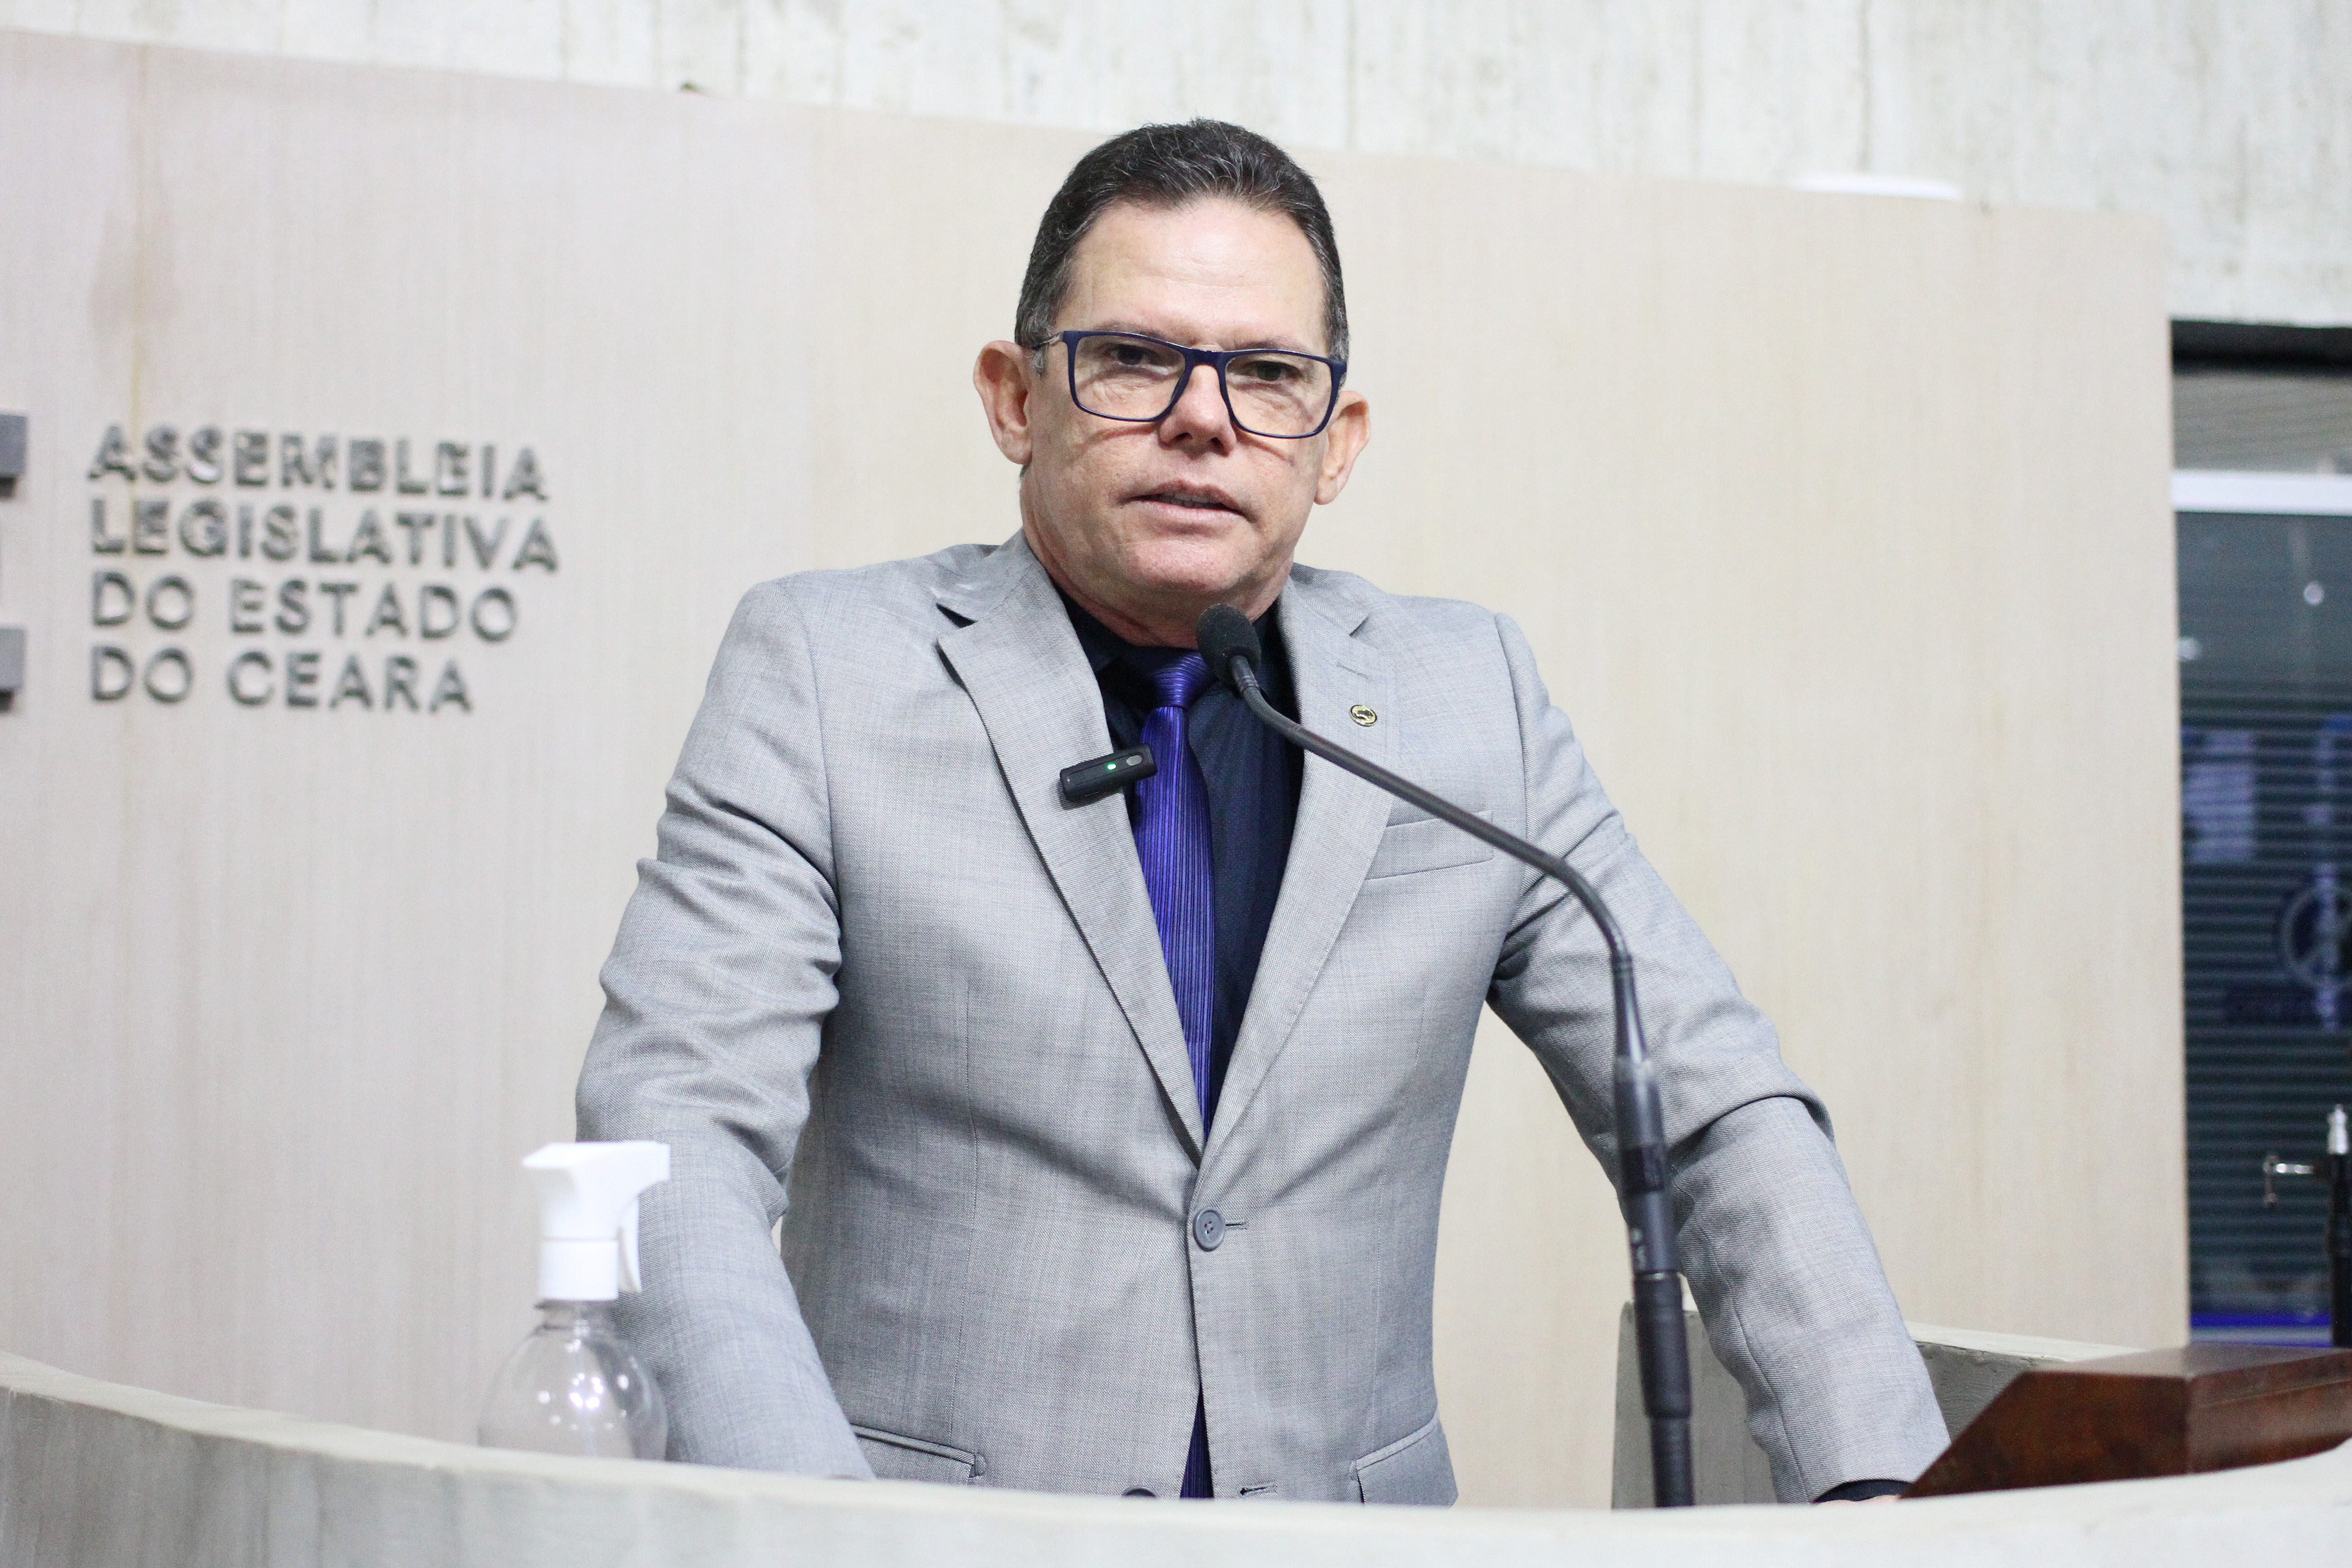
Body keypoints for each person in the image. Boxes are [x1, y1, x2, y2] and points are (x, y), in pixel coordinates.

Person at [577, 119, 1945, 1505]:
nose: (1204, 418)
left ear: (1336, 441)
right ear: (1013, 398)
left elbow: (1714, 1111)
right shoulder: (827, 674)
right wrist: (818, 1538)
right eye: (1134, 358)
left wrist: (1884, 1502)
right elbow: (672, 1137)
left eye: (1269, 374)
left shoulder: (1469, 701)